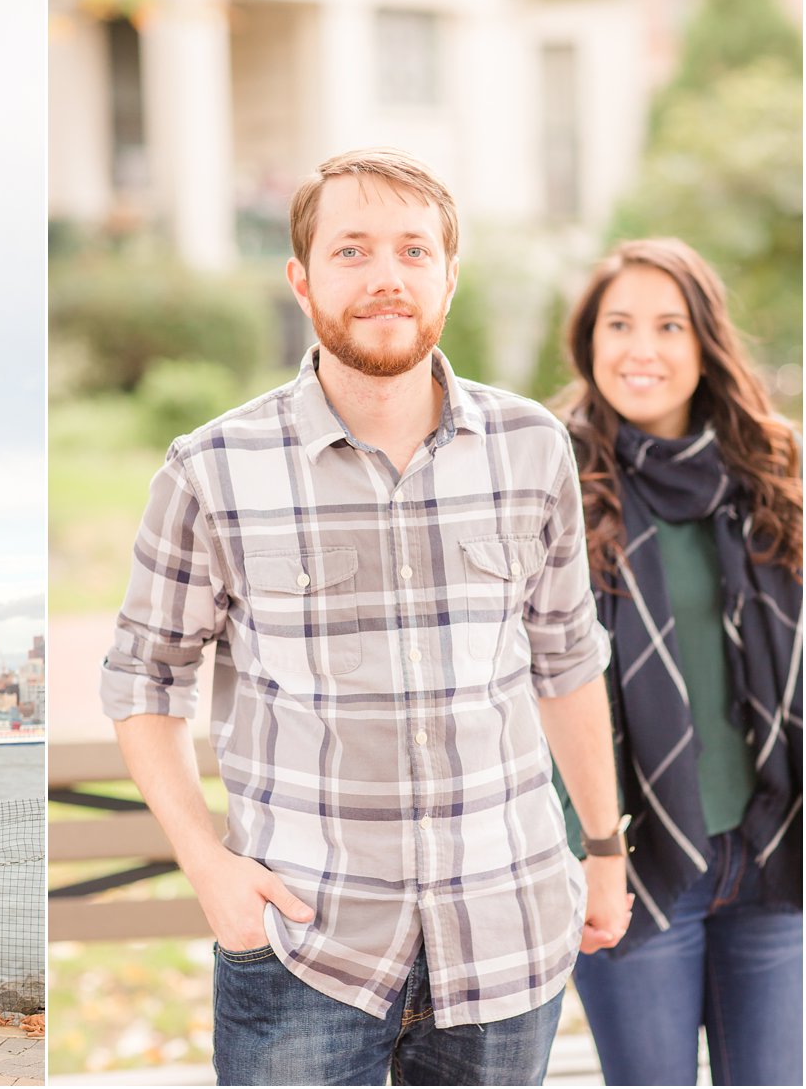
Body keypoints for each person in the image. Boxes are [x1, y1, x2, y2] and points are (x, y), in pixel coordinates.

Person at [102, 147, 633, 1086]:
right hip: (307, 947)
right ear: (301, 281)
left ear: (448, 275)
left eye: (413, 251)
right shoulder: (212, 468)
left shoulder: (531, 447)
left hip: (504, 937)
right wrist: (209, 867)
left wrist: (600, 846)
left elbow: (566, 659)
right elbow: (144, 682)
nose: (387, 277)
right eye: (352, 251)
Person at [554, 238, 802, 1086]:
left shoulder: (773, 473)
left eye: (669, 325)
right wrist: (585, 850)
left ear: (706, 345)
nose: (642, 349)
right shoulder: (550, 482)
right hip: (630, 858)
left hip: (772, 853)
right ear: (589, 341)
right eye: (618, 324)